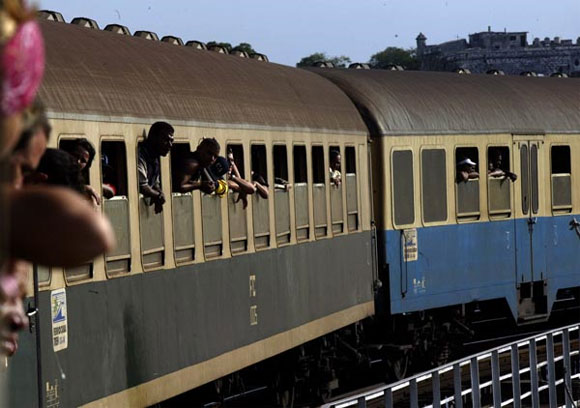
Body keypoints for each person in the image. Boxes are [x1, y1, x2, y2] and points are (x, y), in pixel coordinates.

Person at [138, 121, 174, 213]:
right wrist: (158, 196)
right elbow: (142, 186)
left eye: (171, 141)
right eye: (166, 140)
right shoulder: (140, 155)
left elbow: (155, 183)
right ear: (154, 138)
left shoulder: (155, 158)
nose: (170, 145)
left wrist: (159, 192)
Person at [62, 138, 100, 205]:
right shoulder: (57, 171)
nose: (78, 161)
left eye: (83, 160)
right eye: (75, 156)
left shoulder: (78, 178)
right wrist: (84, 188)